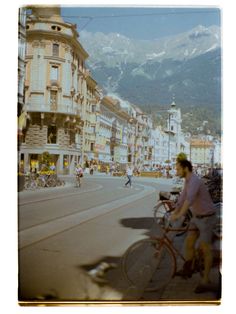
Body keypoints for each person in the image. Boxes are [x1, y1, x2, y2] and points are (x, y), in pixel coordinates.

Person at [170, 159, 216, 293]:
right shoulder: (188, 181)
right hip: (196, 217)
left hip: (207, 218)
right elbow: (183, 197)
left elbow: (189, 200)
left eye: (178, 169)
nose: (176, 171)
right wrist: (175, 209)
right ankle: (188, 268)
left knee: (205, 248)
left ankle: (205, 281)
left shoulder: (195, 180)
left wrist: (179, 215)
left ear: (185, 168)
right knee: (189, 243)